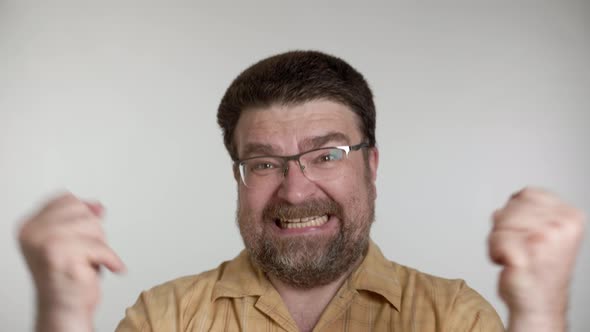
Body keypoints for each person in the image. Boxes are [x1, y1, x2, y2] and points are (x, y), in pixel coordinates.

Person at [18, 51, 585, 332]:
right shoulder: (165, 317)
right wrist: (63, 313)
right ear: (238, 178)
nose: (295, 189)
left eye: (326, 155)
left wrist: (538, 312)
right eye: (264, 163)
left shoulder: (451, 316)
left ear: (373, 167)